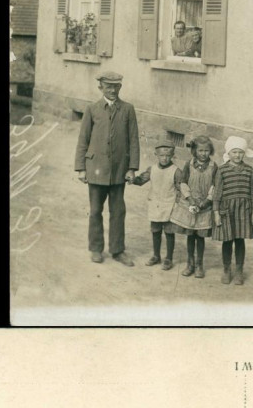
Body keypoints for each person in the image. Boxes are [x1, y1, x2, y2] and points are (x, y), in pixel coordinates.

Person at [74, 70, 139, 265]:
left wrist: (132, 168)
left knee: (118, 211)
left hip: (119, 170)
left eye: (116, 86)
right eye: (108, 86)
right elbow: (83, 140)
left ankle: (117, 250)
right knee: (95, 211)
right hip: (96, 169)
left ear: (120, 87)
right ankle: (96, 248)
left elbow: (133, 140)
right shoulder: (92, 109)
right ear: (100, 87)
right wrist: (81, 168)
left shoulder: (128, 109)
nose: (112, 90)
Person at [212, 136, 253, 286]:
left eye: (240, 152)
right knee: (227, 240)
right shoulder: (222, 170)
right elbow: (217, 193)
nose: (237, 155)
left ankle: (239, 271)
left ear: (244, 153)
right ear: (228, 153)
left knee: (240, 240)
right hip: (227, 211)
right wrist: (216, 213)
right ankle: (227, 269)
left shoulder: (249, 170)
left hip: (243, 211)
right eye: (234, 152)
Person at [170, 136, 217, 278]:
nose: (203, 153)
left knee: (200, 237)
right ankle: (189, 264)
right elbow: (183, 182)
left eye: (206, 151)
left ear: (211, 151)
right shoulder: (188, 165)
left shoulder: (214, 167)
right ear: (194, 151)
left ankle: (199, 265)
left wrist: (207, 201)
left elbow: (215, 186)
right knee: (190, 235)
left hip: (204, 206)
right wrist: (190, 199)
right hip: (190, 205)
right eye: (200, 150)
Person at [131, 140, 177, 270]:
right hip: (155, 204)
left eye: (168, 155)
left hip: (170, 205)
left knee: (169, 231)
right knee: (155, 230)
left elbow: (181, 187)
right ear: (156, 155)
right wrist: (132, 179)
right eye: (162, 155)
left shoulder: (176, 171)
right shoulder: (152, 169)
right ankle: (156, 255)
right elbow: (141, 180)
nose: (165, 158)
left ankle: (169, 258)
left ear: (172, 156)